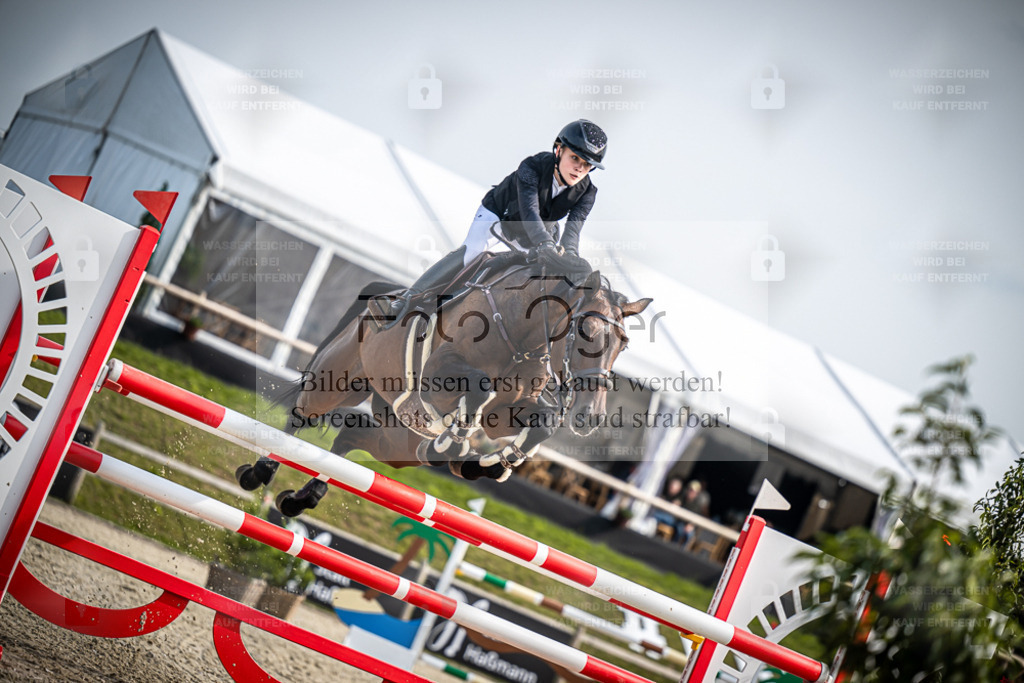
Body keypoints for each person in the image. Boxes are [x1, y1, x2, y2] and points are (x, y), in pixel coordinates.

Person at [388, 119, 607, 325]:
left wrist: (571, 256)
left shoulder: (588, 192)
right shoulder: (532, 167)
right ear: (559, 150)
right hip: (499, 217)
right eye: (575, 158)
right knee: (472, 253)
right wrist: (545, 245)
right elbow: (529, 211)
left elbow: (573, 231)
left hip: (538, 233)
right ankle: (408, 298)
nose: (579, 168)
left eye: (587, 164)